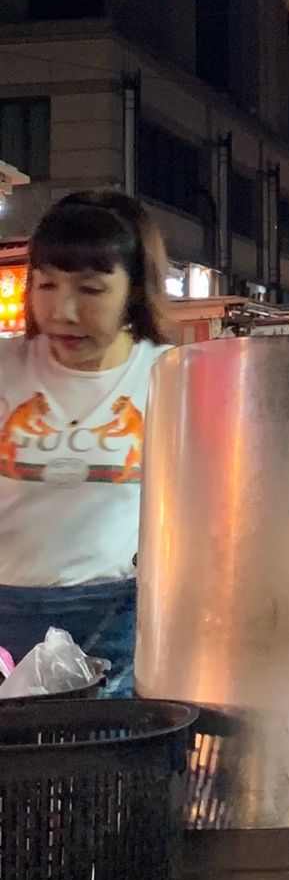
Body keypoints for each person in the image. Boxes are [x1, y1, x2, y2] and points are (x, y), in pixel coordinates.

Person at [0, 191, 171, 694]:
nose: (62, 312)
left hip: (112, 619)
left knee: (100, 768)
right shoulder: (4, 368)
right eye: (46, 285)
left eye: (91, 290)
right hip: (3, 615)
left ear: (134, 290)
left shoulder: (169, 376)